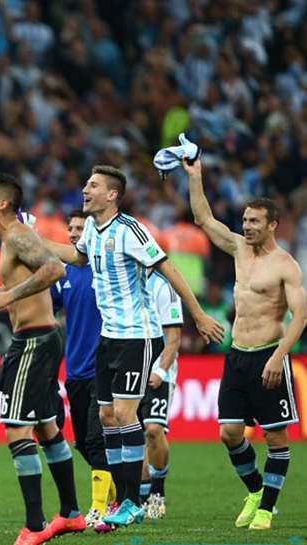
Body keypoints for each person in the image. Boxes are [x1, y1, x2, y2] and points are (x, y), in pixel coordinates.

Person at [41, 165, 223, 531]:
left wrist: (198, 315)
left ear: (112, 195)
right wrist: (28, 238)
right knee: (108, 417)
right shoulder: (92, 228)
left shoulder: (130, 230)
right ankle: (121, 500)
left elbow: (168, 269)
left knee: (125, 415)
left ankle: (132, 500)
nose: (84, 189)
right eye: (85, 183)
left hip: (137, 338)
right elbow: (77, 257)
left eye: (92, 185)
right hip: (107, 339)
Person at [184, 157, 306, 530]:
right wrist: (195, 176)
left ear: (273, 225)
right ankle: (255, 489)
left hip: (269, 355)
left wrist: (279, 358)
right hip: (236, 356)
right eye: (245, 220)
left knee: (274, 436)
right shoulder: (238, 249)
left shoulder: (286, 265)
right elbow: (204, 219)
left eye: (255, 221)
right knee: (228, 433)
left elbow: (300, 317)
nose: (247, 226)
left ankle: (267, 508)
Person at [0, 175, 83, 545]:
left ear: (3, 204)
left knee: (16, 430)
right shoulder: (10, 237)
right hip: (40, 337)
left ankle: (34, 528)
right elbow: (30, 279)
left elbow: (55, 269)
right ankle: (71, 514)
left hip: (34, 340)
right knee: (46, 427)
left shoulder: (17, 235)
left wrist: (8, 296)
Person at [50, 209, 114, 527]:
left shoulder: (106, 269)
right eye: (71, 228)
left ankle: (99, 508)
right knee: (81, 443)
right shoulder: (64, 273)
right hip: (73, 369)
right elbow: (45, 307)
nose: (74, 233)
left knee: (94, 440)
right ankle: (121, 491)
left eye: (80, 228)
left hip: (103, 368)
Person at [137, 267, 183, 520]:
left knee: (153, 430)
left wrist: (161, 370)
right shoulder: (123, 282)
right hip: (130, 366)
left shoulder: (164, 286)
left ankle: (157, 490)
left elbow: (174, 337)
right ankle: (141, 498)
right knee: (134, 436)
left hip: (158, 370)